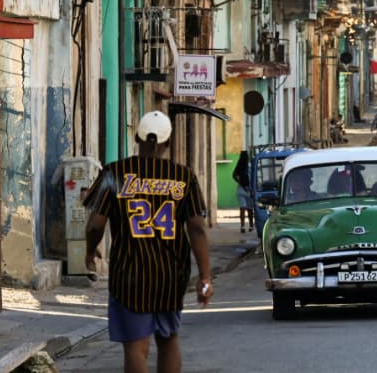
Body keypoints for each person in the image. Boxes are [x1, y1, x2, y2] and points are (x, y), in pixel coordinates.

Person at [83, 110, 212, 373]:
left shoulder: (115, 172)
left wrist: (89, 250)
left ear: (137, 137)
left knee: (135, 347)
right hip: (171, 274)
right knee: (168, 339)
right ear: (168, 142)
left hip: (128, 276)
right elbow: (197, 228)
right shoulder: (184, 177)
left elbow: (96, 224)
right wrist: (205, 277)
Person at [232, 150, 254, 233]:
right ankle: (251, 226)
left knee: (243, 209)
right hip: (249, 190)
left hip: (241, 189)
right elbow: (254, 178)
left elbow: (234, 175)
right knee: (249, 209)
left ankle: (243, 226)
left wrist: (240, 183)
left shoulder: (239, 166)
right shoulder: (250, 165)